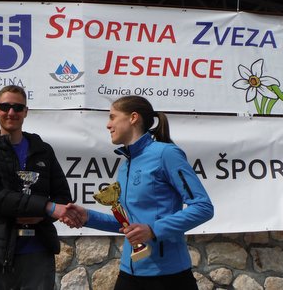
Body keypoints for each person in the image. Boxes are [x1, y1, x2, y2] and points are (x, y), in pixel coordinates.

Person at [61, 95, 214, 290]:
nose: (108, 125)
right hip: (130, 273)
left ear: (133, 118)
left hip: (169, 277)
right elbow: (129, 225)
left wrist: (153, 230)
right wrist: (87, 217)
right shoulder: (125, 165)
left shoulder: (166, 154)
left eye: (112, 117)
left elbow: (203, 207)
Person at [0, 85, 76, 289]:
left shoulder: (43, 150)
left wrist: (42, 215)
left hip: (38, 252)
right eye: (5, 106)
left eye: (18, 107)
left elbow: (63, 197)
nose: (11, 112)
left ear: (26, 111)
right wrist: (45, 207)